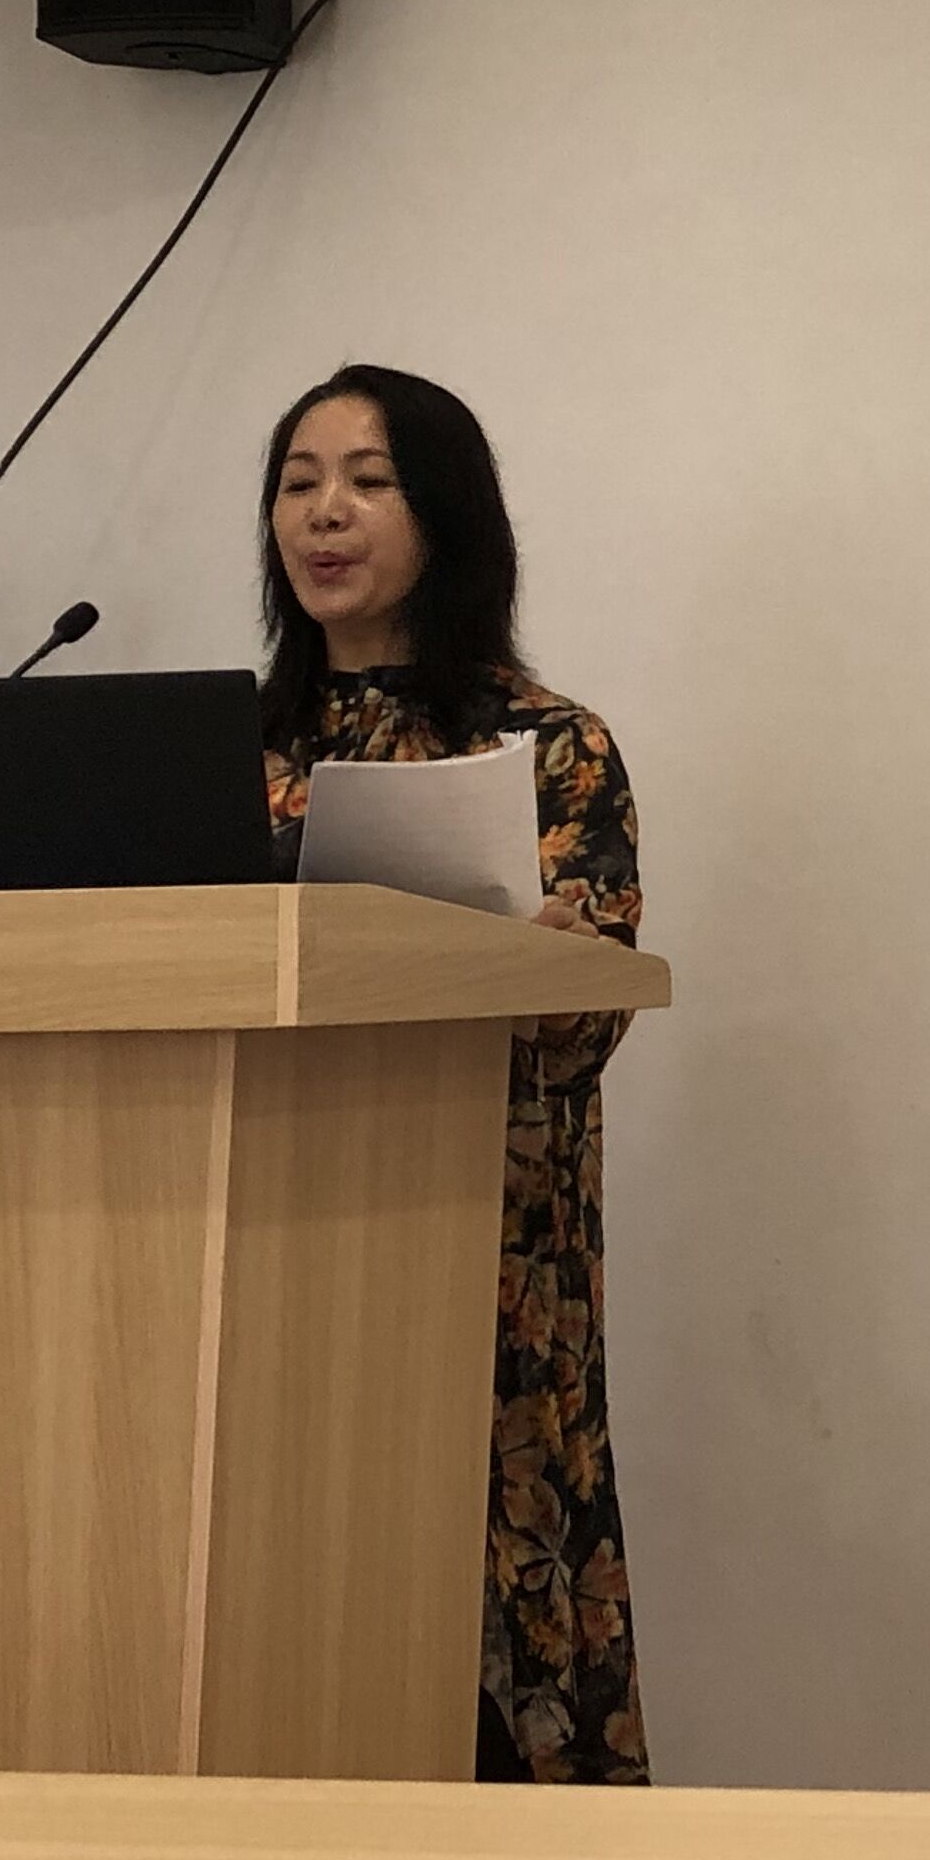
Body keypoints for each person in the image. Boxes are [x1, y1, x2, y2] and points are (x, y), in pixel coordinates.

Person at [256, 363, 648, 1785]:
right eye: (299, 483)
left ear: (450, 516)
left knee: (479, 1622)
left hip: (479, 1249)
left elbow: (591, 1017)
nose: (326, 513)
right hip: (269, 1239)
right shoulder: (229, 754)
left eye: (369, 481)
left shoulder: (546, 746)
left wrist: (540, 963)